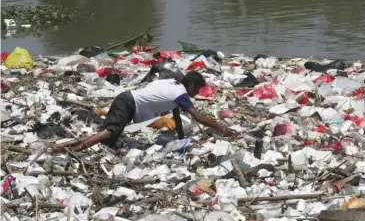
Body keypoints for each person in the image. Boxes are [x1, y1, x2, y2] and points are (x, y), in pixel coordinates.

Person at [53, 71, 235, 152]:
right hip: (128, 103)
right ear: (192, 85)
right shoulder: (181, 93)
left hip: (127, 100)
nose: (197, 94)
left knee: (109, 138)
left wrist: (181, 139)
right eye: (197, 89)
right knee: (108, 133)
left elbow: (177, 116)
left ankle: (64, 146)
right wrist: (222, 129)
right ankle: (74, 148)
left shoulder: (172, 84)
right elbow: (198, 118)